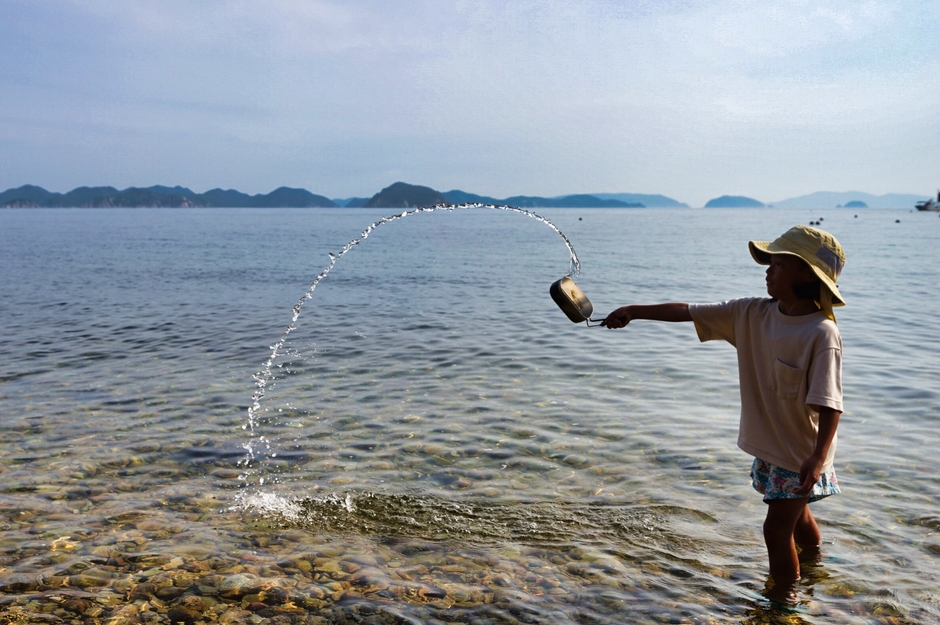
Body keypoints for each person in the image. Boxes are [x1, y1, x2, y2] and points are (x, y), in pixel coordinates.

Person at [601, 225, 846, 599]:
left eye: (777, 263)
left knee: (776, 530)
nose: (767, 270)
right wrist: (635, 311)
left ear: (804, 273)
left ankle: (785, 603)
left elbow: (830, 402)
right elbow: (687, 310)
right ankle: (814, 569)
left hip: (800, 453)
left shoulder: (820, 332)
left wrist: (817, 457)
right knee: (797, 517)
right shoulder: (749, 313)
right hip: (772, 446)